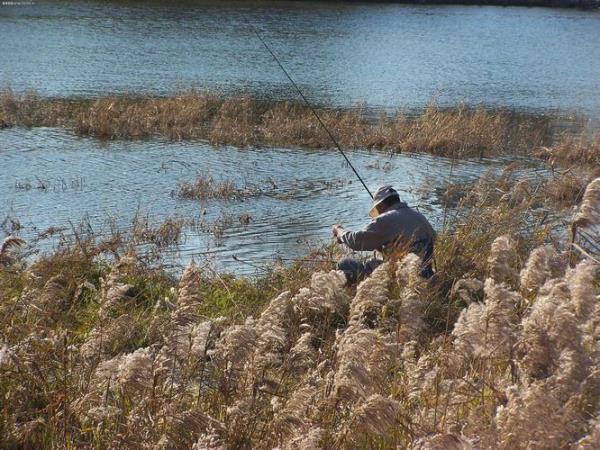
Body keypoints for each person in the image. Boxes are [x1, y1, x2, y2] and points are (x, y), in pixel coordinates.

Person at [333, 185, 435, 284]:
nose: (377, 213)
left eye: (377, 209)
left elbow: (357, 241)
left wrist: (340, 232)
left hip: (399, 277)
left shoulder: (385, 219)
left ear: (381, 205)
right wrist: (386, 248)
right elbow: (430, 239)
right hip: (424, 274)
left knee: (345, 264)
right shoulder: (418, 216)